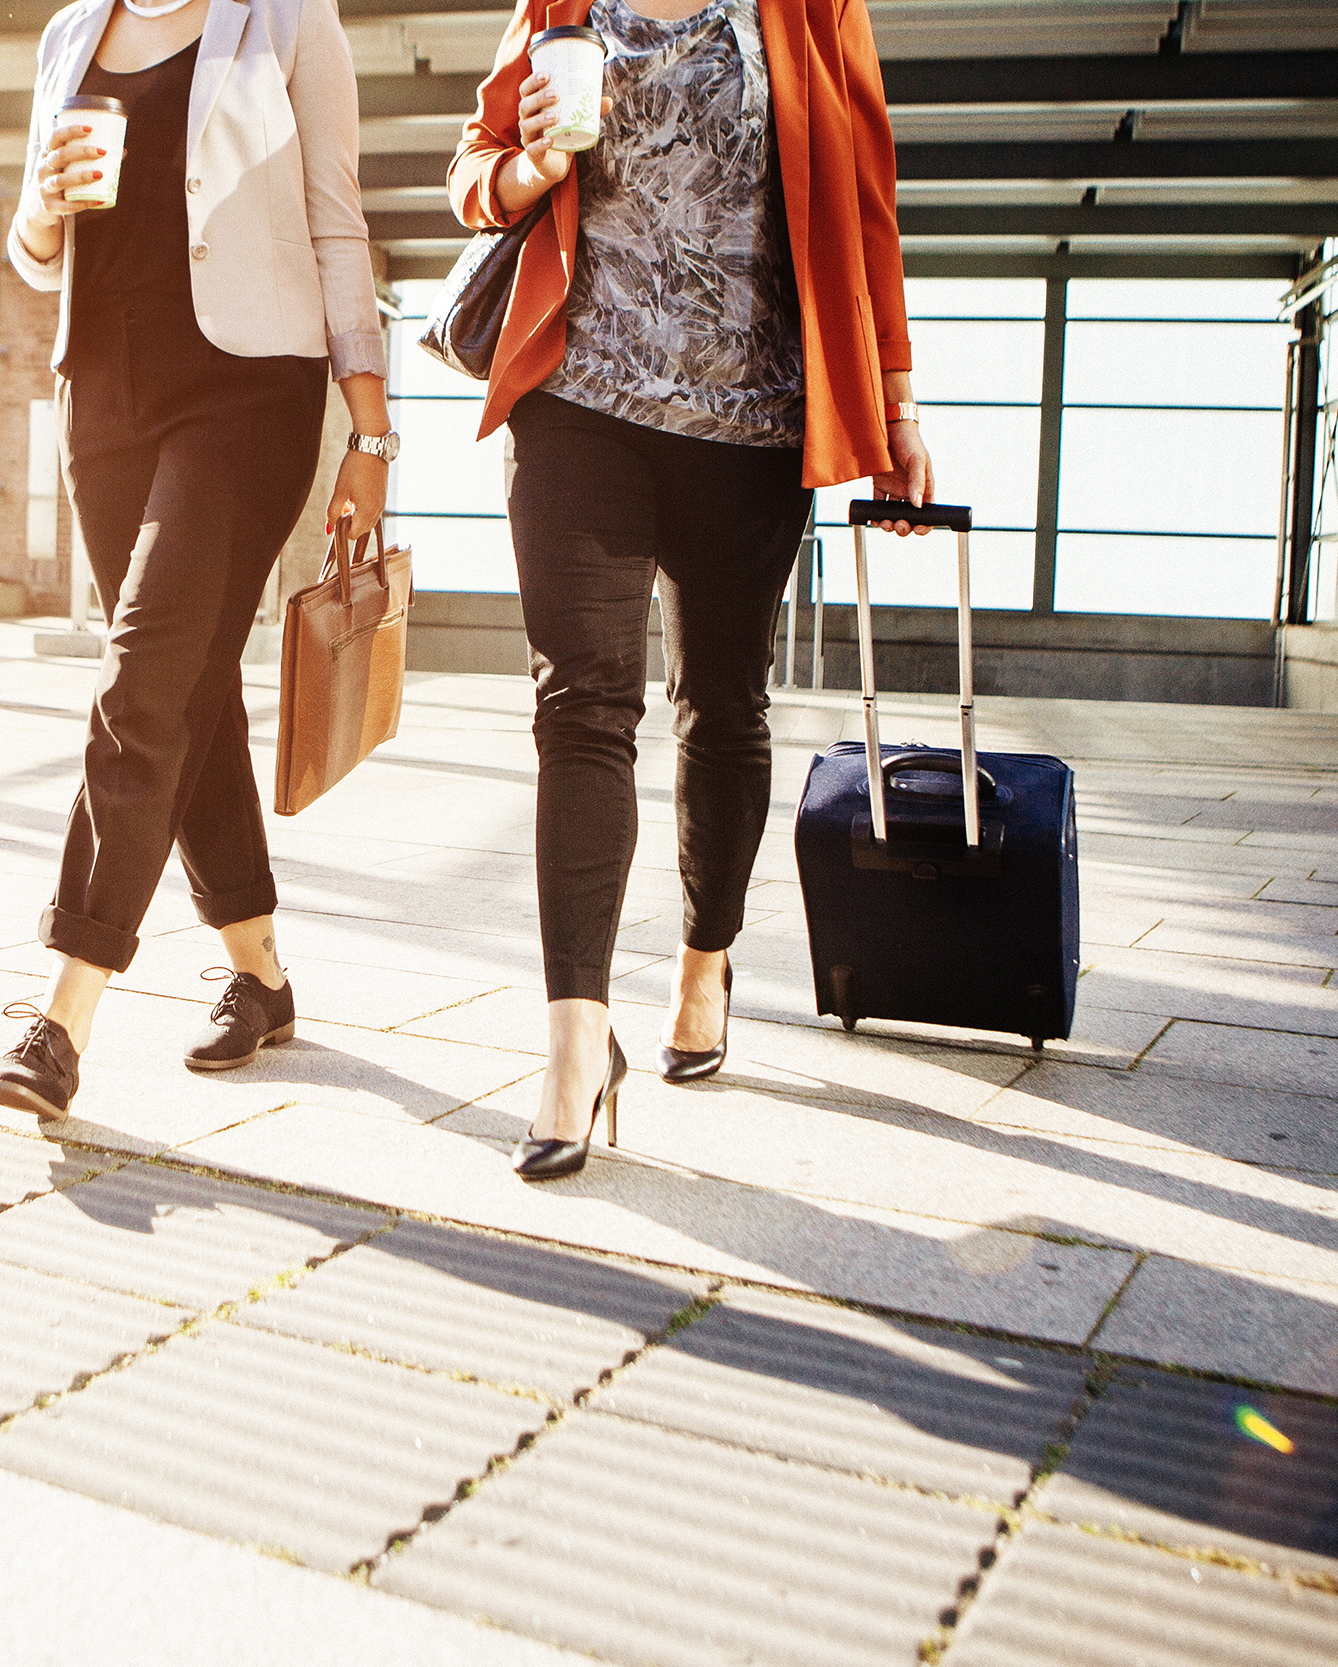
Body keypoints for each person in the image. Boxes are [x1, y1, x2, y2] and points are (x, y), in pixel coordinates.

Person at [451, 0, 935, 1179]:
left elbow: (866, 201)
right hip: (581, 407)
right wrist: (524, 166)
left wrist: (899, 407)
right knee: (581, 708)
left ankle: (704, 962)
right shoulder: (561, 8)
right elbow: (470, 178)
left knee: (721, 702)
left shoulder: (811, 13)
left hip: (753, 428)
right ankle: (574, 1045)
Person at [0, 0, 395, 1122]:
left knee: (145, 675)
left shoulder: (288, 18)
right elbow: (32, 251)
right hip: (101, 395)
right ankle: (260, 976)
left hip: (245, 388)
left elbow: (334, 219)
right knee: (190, 684)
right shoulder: (71, 33)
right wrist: (37, 207)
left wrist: (369, 431)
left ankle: (62, 1014)